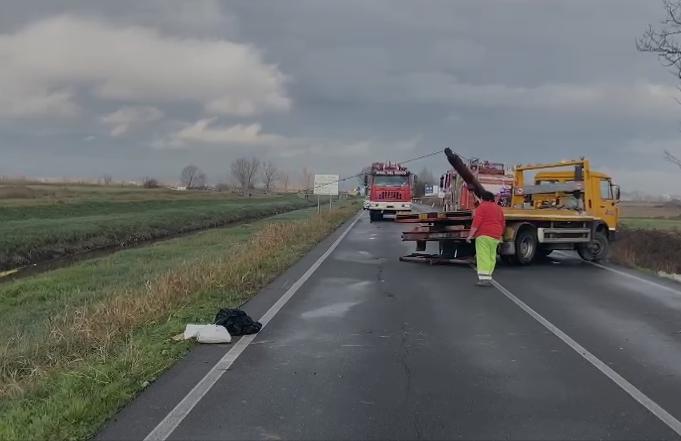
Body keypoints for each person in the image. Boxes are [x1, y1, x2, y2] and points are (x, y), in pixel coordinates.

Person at [466, 191, 505, 287]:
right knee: (492, 256)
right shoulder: (498, 208)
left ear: (483, 199)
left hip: (483, 234)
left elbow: (476, 223)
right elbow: (502, 223)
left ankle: (484, 278)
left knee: (483, 255)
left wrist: (470, 235)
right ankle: (488, 275)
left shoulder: (481, 207)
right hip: (496, 235)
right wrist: (500, 235)